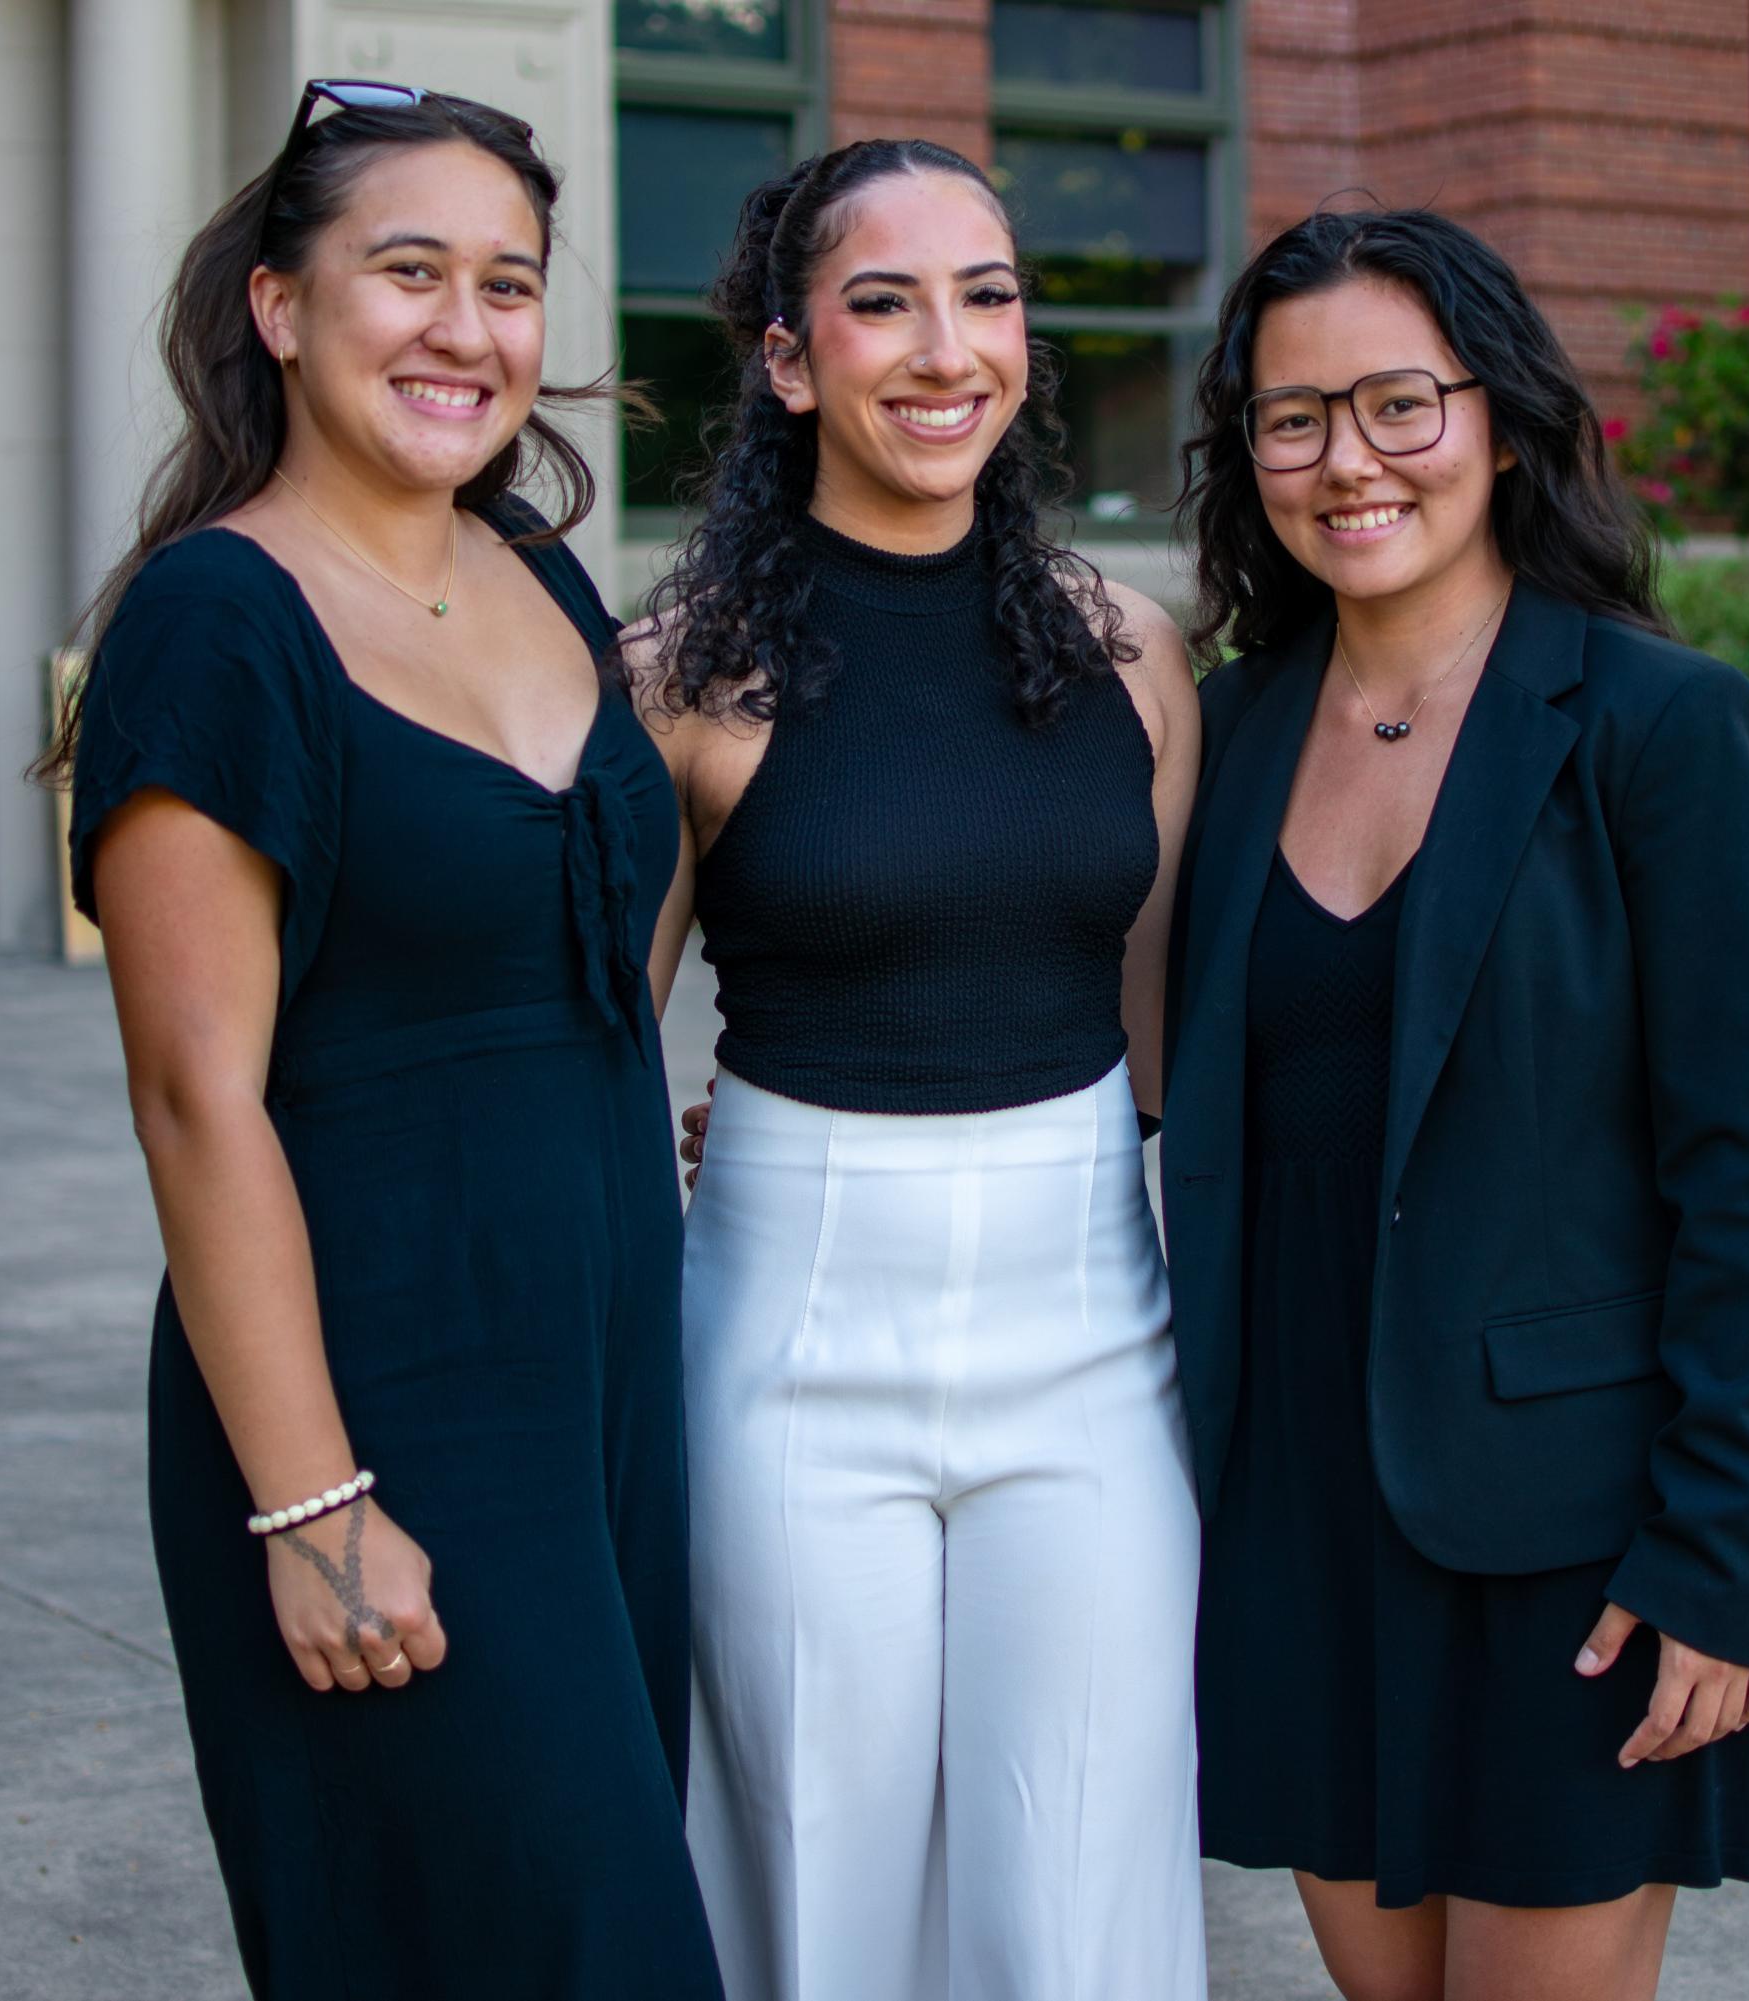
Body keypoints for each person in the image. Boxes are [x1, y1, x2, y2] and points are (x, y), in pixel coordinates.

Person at [41, 81, 722, 1998]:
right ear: (278, 306)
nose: (467, 327)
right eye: (405, 270)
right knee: (571, 1947)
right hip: (384, 1391)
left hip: (599, 1373)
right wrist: (315, 1503)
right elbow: (195, 1098)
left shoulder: (540, 580)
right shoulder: (215, 623)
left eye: (508, 283)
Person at [1163, 208, 1749, 2001]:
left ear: (1503, 419)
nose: (1346, 459)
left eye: (1399, 401)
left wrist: (1723, 1555)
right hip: (1289, 1500)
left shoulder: (1654, 724)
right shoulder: (1217, 736)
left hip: (1572, 1532)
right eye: (1290, 418)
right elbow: (1117, 1048)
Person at [633, 139, 1208, 2000]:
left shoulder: (1132, 654)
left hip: (1091, 1322)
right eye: (881, 300)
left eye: (987, 292)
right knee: (816, 1879)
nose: (945, 345)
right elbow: (578, 1052)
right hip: (791, 1332)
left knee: (1083, 1872)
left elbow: (1161, 1037)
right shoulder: (678, 676)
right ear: (790, 359)